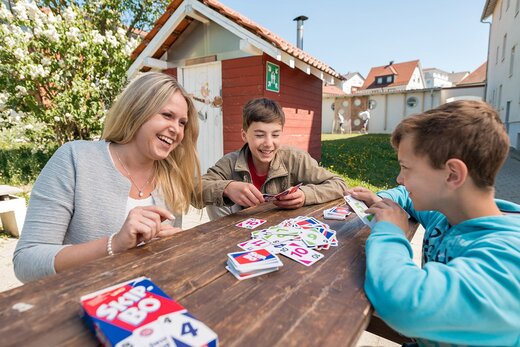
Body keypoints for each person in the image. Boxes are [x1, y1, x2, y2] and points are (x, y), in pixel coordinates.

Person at [347, 100, 520, 346]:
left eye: (406, 168)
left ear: (452, 174)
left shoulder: (508, 260)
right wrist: (382, 199)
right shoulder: (449, 214)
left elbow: (405, 305)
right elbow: (405, 195)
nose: (399, 178)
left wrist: (391, 232)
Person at [13, 72, 203, 283]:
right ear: (137, 110)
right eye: (167, 115)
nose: (176, 129)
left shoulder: (171, 177)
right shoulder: (75, 158)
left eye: (182, 122)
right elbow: (26, 262)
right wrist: (115, 243)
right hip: (80, 304)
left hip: (147, 299)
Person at [200, 97, 348, 220]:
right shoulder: (230, 162)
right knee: (215, 196)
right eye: (259, 135)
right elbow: (195, 187)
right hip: (239, 230)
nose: (268, 144)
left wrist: (305, 195)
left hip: (283, 229)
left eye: (275, 135)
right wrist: (227, 188)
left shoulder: (295, 158)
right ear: (244, 136)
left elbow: (340, 184)